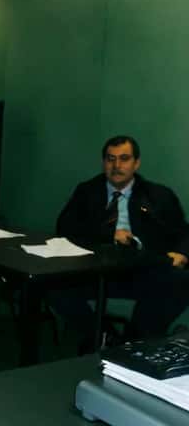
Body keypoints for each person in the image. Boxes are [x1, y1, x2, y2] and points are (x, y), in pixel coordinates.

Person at [51, 135, 189, 351]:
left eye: (124, 159)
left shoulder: (158, 195)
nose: (117, 166)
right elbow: (65, 228)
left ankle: (135, 342)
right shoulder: (87, 191)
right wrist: (109, 234)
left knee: (181, 281)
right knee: (53, 287)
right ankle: (105, 337)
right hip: (94, 270)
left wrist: (182, 253)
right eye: (111, 159)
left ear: (136, 163)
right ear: (103, 162)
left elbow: (183, 231)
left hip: (141, 269)